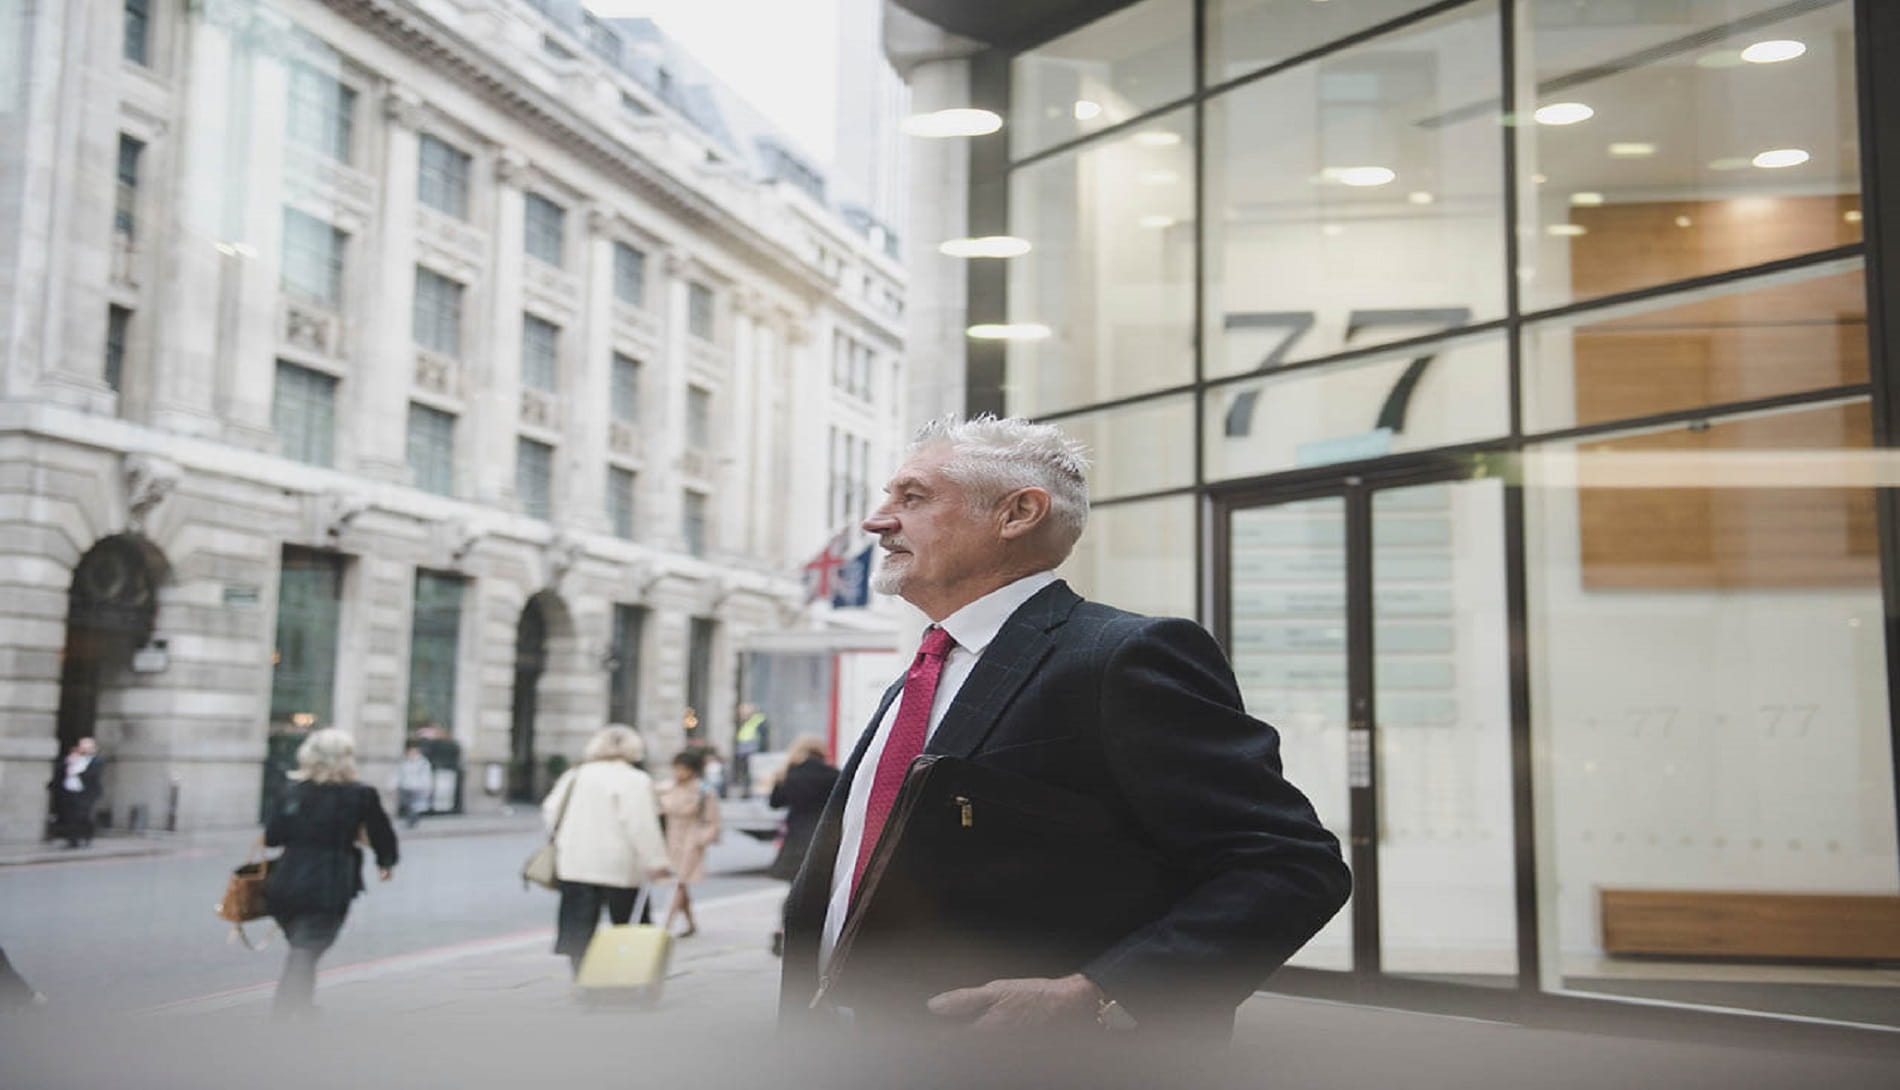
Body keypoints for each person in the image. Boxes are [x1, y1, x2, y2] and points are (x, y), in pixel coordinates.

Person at [777, 415, 1352, 1041]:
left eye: (912, 497)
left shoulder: (1123, 656)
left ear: (1018, 513)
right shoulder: (922, 673)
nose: (877, 520)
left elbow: (1290, 865)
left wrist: (1100, 993)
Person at [263, 728, 398, 1017]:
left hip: (285, 882)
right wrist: (386, 862)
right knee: (307, 948)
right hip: (329, 883)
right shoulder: (360, 795)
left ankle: (300, 1006)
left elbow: (273, 836)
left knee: (303, 947)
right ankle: (289, 1010)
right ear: (345, 759)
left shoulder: (291, 790)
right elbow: (381, 833)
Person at [542, 724, 672, 977]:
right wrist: (657, 861)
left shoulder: (575, 775)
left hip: (575, 861)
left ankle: (580, 975)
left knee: (578, 925)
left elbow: (550, 811)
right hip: (618, 863)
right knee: (629, 923)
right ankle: (628, 974)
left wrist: (565, 840)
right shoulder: (635, 779)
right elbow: (641, 824)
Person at [767, 735, 839, 957]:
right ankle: (816, 936)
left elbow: (775, 802)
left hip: (796, 837)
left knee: (794, 888)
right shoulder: (833, 774)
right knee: (823, 888)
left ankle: (784, 932)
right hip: (824, 837)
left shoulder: (790, 774)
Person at [657, 748, 721, 938]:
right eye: (677, 769)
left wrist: (701, 840)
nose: (679, 773)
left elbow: (713, 820)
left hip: (691, 840)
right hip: (671, 839)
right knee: (680, 883)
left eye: (683, 769)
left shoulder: (703, 791)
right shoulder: (667, 787)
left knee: (680, 882)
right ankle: (691, 923)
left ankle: (666, 925)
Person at [47, 737, 104, 848]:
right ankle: (72, 840)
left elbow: (92, 776)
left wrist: (76, 768)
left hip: (85, 793)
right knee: (69, 816)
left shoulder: (97, 760)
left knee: (82, 816)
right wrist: (69, 763)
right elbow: (60, 772)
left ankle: (87, 836)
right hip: (69, 791)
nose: (83, 749)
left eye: (87, 747)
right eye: (82, 746)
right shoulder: (72, 758)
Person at [732, 702, 770, 798]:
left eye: (743, 712)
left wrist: (761, 754)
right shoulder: (747, 722)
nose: (741, 715)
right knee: (746, 774)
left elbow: (763, 739)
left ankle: (751, 792)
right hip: (745, 753)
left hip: (753, 754)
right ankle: (747, 791)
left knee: (753, 775)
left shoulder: (758, 721)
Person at [394, 744, 434, 829]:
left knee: (415, 806)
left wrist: (428, 787)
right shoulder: (405, 762)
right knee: (407, 805)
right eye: (410, 751)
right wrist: (394, 784)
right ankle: (411, 820)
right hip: (405, 786)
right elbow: (398, 774)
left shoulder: (423, 763)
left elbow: (426, 776)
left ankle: (412, 821)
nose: (411, 753)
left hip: (417, 787)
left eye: (413, 751)